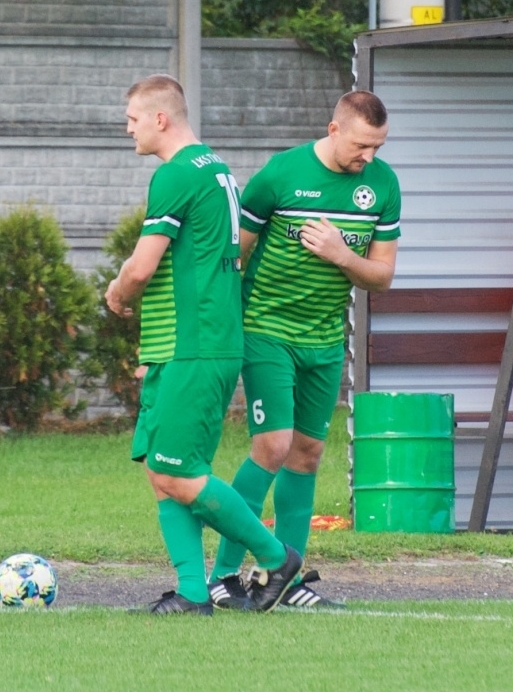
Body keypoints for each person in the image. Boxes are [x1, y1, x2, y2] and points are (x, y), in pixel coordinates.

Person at [105, 74, 303, 614]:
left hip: (195, 344)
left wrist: (118, 291)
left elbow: (143, 267)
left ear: (161, 118)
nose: (128, 130)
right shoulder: (215, 167)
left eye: (133, 120)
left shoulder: (173, 175)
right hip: (187, 343)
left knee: (176, 470)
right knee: (160, 470)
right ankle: (193, 593)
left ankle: (274, 557)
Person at [206, 91, 400, 610]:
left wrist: (340, 254)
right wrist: (218, 328)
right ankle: (223, 577)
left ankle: (285, 582)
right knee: (272, 445)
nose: (370, 158)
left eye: (378, 147)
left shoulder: (382, 185)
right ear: (333, 130)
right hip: (266, 329)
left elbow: (381, 276)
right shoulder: (280, 175)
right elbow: (235, 256)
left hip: (324, 338)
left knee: (308, 454)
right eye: (362, 146)